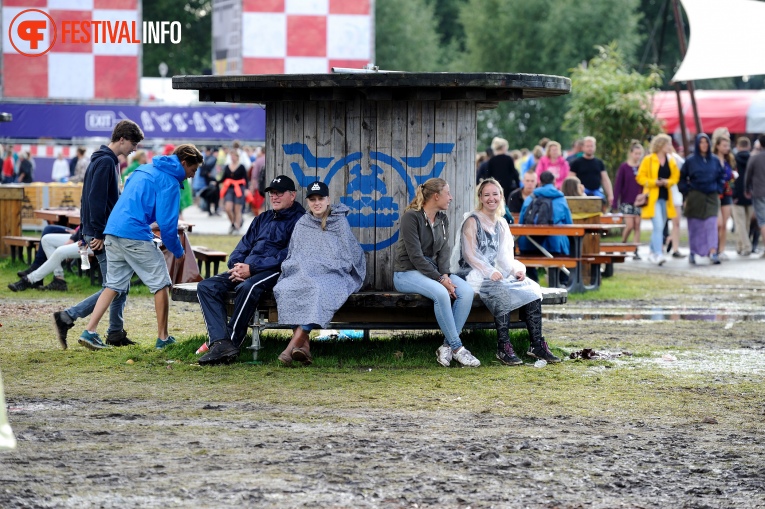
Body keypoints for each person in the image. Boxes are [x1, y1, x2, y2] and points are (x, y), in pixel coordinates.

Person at [78, 144, 203, 350]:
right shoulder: (170, 182)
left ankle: (89, 332)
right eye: (193, 169)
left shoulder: (144, 168)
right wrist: (178, 251)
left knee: (113, 284)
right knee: (161, 283)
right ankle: (163, 338)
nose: (192, 175)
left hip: (113, 230)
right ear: (183, 163)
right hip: (133, 233)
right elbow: (167, 225)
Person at [52, 120, 145, 350]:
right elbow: (95, 201)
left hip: (99, 232)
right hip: (103, 235)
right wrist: (98, 233)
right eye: (133, 143)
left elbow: (90, 200)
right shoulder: (105, 163)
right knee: (114, 286)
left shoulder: (104, 160)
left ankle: (115, 333)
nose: (135, 149)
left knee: (118, 284)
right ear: (121, 139)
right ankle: (68, 317)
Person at [197, 175, 306, 366]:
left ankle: (231, 341)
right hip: (247, 268)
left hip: (275, 271)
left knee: (247, 287)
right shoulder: (262, 218)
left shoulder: (300, 221)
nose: (275, 197)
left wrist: (252, 268)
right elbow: (242, 246)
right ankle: (220, 342)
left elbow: (288, 255)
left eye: (279, 193)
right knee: (206, 286)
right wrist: (237, 266)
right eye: (272, 194)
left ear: (292, 195)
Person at [451, 178, 560, 366]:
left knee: (531, 288)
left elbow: (504, 257)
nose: (491, 198)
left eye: (495, 194)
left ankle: (536, 345)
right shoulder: (472, 221)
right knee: (499, 289)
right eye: (486, 195)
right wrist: (489, 270)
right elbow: (469, 255)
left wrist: (515, 270)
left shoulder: (501, 223)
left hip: (493, 271)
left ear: (501, 196)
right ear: (480, 198)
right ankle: (503, 347)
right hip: (471, 273)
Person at [273, 181, 366, 366]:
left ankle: (290, 348)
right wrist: (303, 268)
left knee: (317, 289)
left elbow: (348, 254)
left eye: (320, 199)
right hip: (304, 272)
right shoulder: (303, 222)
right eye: (312, 199)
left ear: (328, 200)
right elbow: (295, 253)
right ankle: (304, 348)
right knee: (287, 287)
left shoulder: (339, 222)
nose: (317, 203)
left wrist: (327, 266)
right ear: (308, 201)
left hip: (333, 274)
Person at [392, 178, 480, 368]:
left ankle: (446, 347)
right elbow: (415, 257)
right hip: (407, 273)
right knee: (441, 293)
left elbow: (443, 251)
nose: (451, 197)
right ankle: (458, 349)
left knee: (465, 292)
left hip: (433, 273)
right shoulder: (411, 217)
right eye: (447, 193)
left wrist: (446, 275)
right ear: (436, 196)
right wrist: (440, 280)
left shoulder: (442, 219)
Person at [518, 171, 573, 283]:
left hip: (529, 244)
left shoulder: (531, 198)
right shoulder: (561, 199)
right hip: (555, 246)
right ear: (554, 182)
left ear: (540, 182)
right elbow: (569, 224)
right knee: (570, 245)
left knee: (524, 252)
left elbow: (521, 221)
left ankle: (534, 281)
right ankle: (562, 282)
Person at [679, 133, 725, 265]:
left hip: (711, 194)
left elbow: (721, 176)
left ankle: (712, 251)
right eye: (701, 142)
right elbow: (681, 178)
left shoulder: (715, 160)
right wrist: (686, 193)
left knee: (711, 223)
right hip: (695, 195)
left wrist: (718, 189)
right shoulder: (691, 160)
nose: (704, 145)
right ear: (697, 144)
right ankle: (693, 251)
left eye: (706, 142)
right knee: (695, 225)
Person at [637, 134, 680, 266]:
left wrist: (668, 182)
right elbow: (640, 177)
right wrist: (654, 182)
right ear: (660, 145)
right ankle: (658, 253)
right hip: (653, 198)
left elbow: (676, 177)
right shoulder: (649, 160)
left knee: (660, 226)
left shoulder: (671, 160)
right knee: (659, 226)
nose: (669, 147)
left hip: (666, 198)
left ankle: (651, 250)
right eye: (667, 144)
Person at [7, 227, 85, 293]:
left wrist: (74, 238)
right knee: (46, 239)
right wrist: (74, 237)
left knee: (60, 251)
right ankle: (59, 279)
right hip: (83, 236)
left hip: (92, 241)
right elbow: (84, 221)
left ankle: (30, 279)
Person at [612, 141, 645, 250]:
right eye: (636, 153)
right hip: (627, 200)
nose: (638, 156)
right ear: (631, 153)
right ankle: (623, 243)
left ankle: (636, 249)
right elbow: (618, 186)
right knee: (629, 225)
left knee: (637, 225)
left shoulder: (642, 167)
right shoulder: (624, 167)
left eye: (640, 154)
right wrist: (615, 202)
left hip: (639, 201)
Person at [570, 136, 614, 206]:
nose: (590, 148)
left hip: (597, 193)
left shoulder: (599, 162)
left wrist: (610, 195)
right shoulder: (576, 163)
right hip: (582, 194)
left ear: (595, 147)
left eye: (591, 146)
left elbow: (605, 180)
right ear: (583, 147)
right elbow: (571, 180)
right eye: (587, 146)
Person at [713, 136, 736, 260]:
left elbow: (730, 176)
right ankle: (713, 248)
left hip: (727, 193)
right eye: (724, 145)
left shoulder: (728, 160)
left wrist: (733, 177)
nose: (727, 148)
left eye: (728, 146)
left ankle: (721, 250)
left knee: (724, 224)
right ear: (717, 146)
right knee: (718, 223)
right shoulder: (712, 159)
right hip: (716, 193)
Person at [744, 134, 765, 258]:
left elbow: (748, 175)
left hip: (759, 192)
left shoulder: (755, 158)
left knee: (762, 221)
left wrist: (746, 189)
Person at [732, 136, 754, 256]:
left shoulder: (733, 159)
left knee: (739, 223)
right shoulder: (752, 159)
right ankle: (740, 246)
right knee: (746, 223)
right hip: (750, 194)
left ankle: (746, 246)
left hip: (736, 194)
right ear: (749, 146)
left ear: (738, 146)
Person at [220, 149, 248, 234]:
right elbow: (223, 178)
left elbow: (246, 179)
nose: (232, 158)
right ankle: (233, 223)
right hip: (229, 188)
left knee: (237, 209)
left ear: (237, 157)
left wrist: (247, 189)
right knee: (228, 208)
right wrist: (215, 182)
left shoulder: (241, 166)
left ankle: (237, 227)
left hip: (239, 188)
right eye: (231, 156)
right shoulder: (227, 166)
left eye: (234, 156)